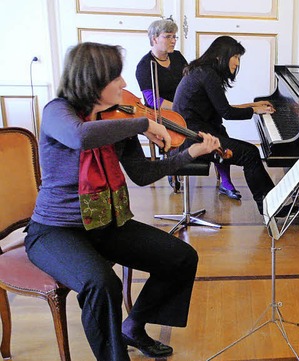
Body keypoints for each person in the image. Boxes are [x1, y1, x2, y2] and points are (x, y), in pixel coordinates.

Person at [24, 42, 220, 360]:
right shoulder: (57, 112)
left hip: (104, 223)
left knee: (180, 257)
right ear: (93, 80)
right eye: (116, 77)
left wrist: (189, 154)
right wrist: (144, 123)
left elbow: (141, 174)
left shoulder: (116, 122)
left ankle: (134, 326)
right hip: (55, 230)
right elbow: (80, 136)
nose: (125, 84)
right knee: (102, 284)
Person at [136, 19, 241, 199]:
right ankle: (172, 163)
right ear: (154, 39)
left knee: (216, 126)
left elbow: (190, 82)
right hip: (164, 114)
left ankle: (225, 180)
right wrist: (181, 106)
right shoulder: (145, 66)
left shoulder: (177, 57)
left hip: (185, 109)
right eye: (168, 36)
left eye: (174, 36)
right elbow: (152, 100)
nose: (173, 40)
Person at [173, 35, 278, 214]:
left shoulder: (202, 71)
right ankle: (269, 207)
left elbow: (223, 108)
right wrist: (254, 111)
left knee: (248, 152)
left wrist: (253, 105)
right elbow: (227, 113)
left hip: (191, 134)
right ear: (221, 56)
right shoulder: (207, 75)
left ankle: (272, 201)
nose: (237, 63)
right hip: (192, 140)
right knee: (251, 154)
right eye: (235, 57)